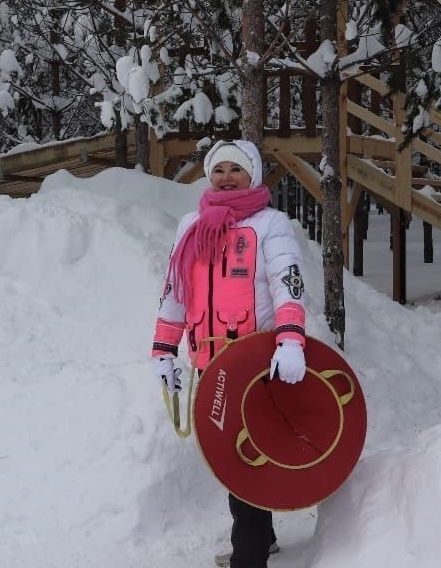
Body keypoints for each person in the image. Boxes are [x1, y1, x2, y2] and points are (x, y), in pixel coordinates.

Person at [151, 139, 307, 568]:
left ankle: (249, 557)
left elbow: (287, 283)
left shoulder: (270, 224)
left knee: (242, 459)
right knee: (230, 451)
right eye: (218, 170)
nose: (225, 178)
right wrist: (163, 350)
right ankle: (265, 537)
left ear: (253, 175)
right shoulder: (192, 226)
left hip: (253, 364)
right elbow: (175, 293)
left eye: (235, 170)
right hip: (208, 362)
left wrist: (290, 339)